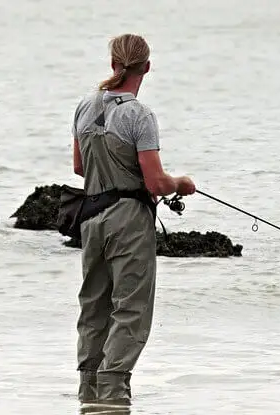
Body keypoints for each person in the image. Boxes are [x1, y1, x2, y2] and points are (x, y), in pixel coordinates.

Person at [71, 33, 196, 407]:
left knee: (94, 306)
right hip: (128, 220)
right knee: (131, 308)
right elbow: (156, 182)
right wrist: (182, 184)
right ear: (146, 67)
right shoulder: (139, 115)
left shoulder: (84, 106)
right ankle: (112, 391)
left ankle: (88, 392)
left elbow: (80, 167)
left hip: (90, 218)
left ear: (113, 64)